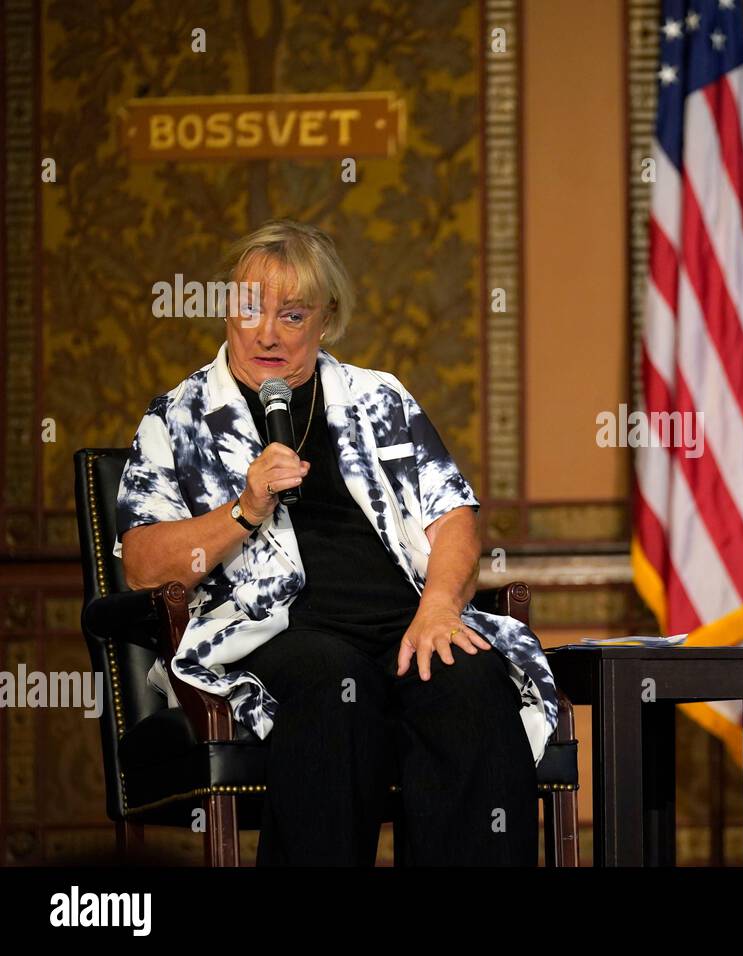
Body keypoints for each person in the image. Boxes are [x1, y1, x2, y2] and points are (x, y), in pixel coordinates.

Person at [115, 219, 555, 865]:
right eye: (249, 310)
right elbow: (144, 567)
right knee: (334, 681)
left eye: (292, 315)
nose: (267, 333)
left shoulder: (379, 397)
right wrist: (244, 508)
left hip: (400, 624)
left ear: (327, 321)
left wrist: (437, 609)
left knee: (469, 676)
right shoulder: (178, 416)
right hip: (270, 635)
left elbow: (452, 516)